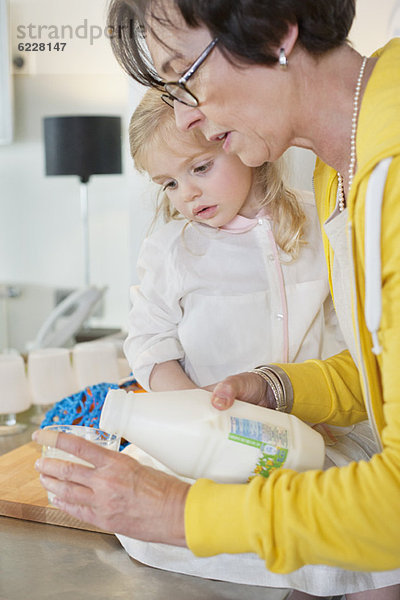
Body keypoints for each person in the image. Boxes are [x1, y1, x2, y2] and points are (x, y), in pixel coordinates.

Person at [33, 1, 400, 597]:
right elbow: (375, 377)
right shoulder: (342, 169)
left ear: (277, 31)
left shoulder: (388, 176)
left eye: (184, 75)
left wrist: (178, 514)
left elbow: (393, 510)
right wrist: (275, 386)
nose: (181, 119)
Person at [125, 87, 342, 393]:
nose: (187, 194)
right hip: (217, 433)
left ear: (236, 139)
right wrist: (199, 415)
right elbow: (148, 345)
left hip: (318, 426)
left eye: (201, 168)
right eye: (170, 184)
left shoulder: (321, 219)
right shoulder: (169, 251)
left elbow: (348, 330)